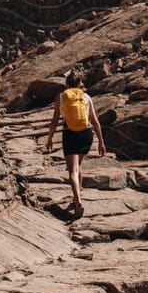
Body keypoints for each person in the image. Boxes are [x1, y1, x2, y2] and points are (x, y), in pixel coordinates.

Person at [44, 69, 106, 218]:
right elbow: (95, 122)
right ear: (80, 84)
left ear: (66, 84)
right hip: (86, 134)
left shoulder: (61, 97)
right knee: (79, 165)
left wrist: (50, 137)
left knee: (73, 171)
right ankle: (79, 193)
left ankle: (78, 201)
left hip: (70, 133)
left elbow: (54, 121)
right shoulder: (86, 97)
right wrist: (101, 142)